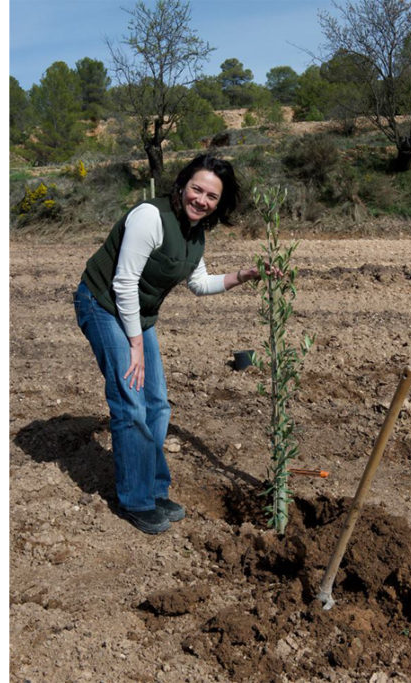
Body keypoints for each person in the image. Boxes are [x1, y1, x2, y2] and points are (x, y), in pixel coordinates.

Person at [74, 154, 269, 535]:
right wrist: (135, 347)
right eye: (197, 189)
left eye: (212, 196)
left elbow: (200, 283)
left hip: (135, 314)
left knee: (158, 403)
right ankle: (135, 500)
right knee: (131, 400)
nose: (202, 199)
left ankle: (154, 488)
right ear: (181, 185)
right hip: (102, 303)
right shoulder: (150, 216)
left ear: (219, 203)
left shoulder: (195, 234)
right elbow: (124, 283)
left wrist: (245, 275)